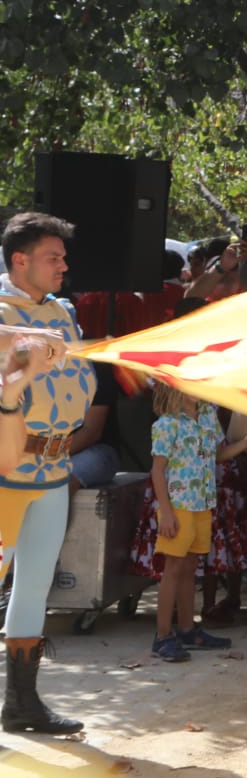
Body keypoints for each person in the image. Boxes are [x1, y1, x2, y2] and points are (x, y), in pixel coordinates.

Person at [0, 212, 92, 735]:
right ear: (20, 260)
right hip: (6, 472)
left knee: (33, 590)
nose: (63, 265)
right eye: (52, 257)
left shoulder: (63, 312)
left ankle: (21, 705)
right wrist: (22, 338)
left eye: (62, 256)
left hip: (54, 470)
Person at [147, 382, 247, 662]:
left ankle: (187, 629)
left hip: (202, 503)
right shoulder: (167, 424)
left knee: (191, 566)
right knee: (173, 567)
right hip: (178, 506)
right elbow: (158, 471)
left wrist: (246, 443)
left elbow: (216, 456)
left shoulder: (207, 416)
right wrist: (165, 512)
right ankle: (162, 636)